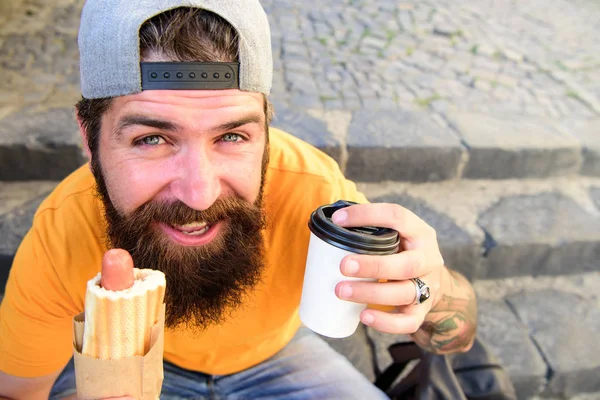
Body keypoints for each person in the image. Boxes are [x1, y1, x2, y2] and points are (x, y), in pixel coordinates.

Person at [0, 1, 478, 399]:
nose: (200, 193)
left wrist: (431, 289)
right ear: (89, 137)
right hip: (131, 359)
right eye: (151, 139)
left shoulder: (314, 193)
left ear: (266, 132)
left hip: (281, 359)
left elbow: (458, 335)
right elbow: (18, 390)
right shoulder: (63, 232)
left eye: (231, 135)